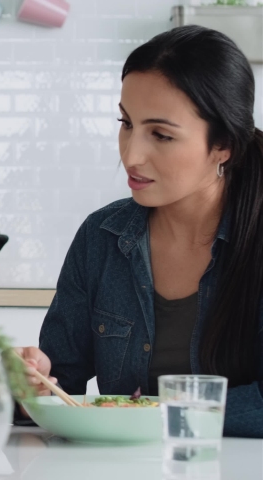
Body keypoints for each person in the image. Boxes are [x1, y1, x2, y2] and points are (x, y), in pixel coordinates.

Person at [20, 25, 263, 438]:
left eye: (161, 135)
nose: (131, 155)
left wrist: (154, 415)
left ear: (224, 145)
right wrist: (33, 383)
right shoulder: (100, 237)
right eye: (126, 123)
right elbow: (60, 387)